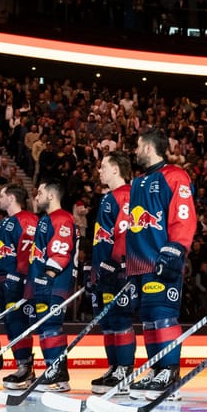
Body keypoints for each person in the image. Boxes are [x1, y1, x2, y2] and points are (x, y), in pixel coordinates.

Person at [124, 128, 196, 401]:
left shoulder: (174, 176)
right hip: (139, 264)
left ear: (150, 148)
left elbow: (184, 215)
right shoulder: (137, 182)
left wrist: (175, 250)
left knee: (163, 315)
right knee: (149, 320)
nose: (135, 151)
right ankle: (157, 370)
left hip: (161, 259)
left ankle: (170, 372)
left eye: (138, 146)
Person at [88, 152, 137, 394]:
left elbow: (125, 233)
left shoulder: (125, 195)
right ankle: (113, 366)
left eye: (103, 166)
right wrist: (93, 271)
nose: (99, 170)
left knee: (119, 319)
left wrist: (116, 262)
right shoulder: (107, 198)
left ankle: (125, 370)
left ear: (116, 169)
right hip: (103, 272)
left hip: (117, 272)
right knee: (106, 322)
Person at [27, 178, 77, 391]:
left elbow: (61, 249)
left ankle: (57, 374)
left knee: (51, 326)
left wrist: (47, 276)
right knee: (45, 327)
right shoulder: (47, 219)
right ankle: (54, 371)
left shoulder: (62, 218)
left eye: (40, 192)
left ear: (51, 195)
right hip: (43, 282)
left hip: (56, 282)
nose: (36, 197)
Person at [0, 185, 40, 389]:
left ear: (11, 198)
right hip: (3, 280)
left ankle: (26, 367)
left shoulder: (27, 219)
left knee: (19, 322)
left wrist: (20, 276)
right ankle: (22, 365)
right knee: (11, 324)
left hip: (17, 281)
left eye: (1, 196)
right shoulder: (6, 222)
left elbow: (29, 251)